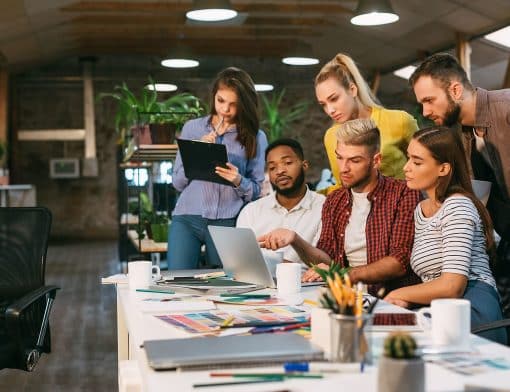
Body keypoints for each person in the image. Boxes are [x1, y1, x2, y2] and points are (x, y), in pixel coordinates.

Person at [258, 118, 421, 295]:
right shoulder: (335, 199)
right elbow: (326, 260)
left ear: (376, 160)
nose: (343, 168)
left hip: (389, 299)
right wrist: (295, 239)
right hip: (344, 299)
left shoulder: (404, 193)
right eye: (339, 158)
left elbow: (399, 262)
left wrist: (342, 274)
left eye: (354, 160)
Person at [409, 53, 510, 317]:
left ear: (455, 90)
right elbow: (480, 197)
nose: (425, 112)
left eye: (429, 100)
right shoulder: (461, 136)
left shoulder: (506, 107)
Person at [384, 127, 506, 344]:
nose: (406, 167)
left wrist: (400, 294)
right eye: (408, 158)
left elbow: (452, 285)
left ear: (443, 168)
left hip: (471, 309)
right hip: (441, 308)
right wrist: (407, 299)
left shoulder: (458, 206)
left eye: (417, 162)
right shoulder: (421, 210)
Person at [168, 67, 268, 269]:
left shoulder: (256, 137)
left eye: (234, 104)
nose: (225, 109)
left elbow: (257, 192)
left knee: (225, 287)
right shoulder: (192, 128)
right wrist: (197, 154)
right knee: (176, 281)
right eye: (220, 100)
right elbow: (177, 183)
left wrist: (238, 180)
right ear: (213, 95)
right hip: (187, 218)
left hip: (227, 222)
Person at [315, 53, 418, 193]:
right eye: (323, 104)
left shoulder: (399, 121)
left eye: (334, 99)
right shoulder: (332, 136)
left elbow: (426, 166)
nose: (330, 110)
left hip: (404, 208)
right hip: (357, 213)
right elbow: (342, 186)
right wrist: (305, 198)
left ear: (352, 90)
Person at [236, 138, 325, 267]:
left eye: (287, 163)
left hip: (306, 284)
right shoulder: (251, 211)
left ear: (304, 166)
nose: (279, 171)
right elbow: (239, 260)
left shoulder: (325, 208)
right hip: (259, 284)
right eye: (272, 167)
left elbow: (329, 263)